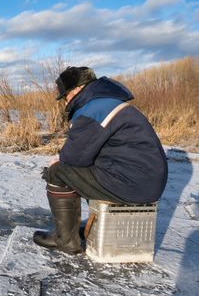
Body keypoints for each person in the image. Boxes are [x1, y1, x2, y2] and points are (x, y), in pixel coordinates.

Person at [33, 66, 168, 255]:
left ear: (77, 90)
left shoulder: (92, 110)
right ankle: (80, 228)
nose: (65, 101)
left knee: (57, 172)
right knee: (79, 170)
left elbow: (74, 159)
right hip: (143, 181)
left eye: (65, 96)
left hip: (132, 184)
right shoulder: (108, 103)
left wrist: (58, 161)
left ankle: (65, 240)